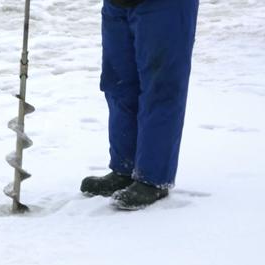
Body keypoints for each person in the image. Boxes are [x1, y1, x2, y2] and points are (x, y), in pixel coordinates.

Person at [80, 0, 199, 210]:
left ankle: (153, 179)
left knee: (160, 87)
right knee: (118, 83)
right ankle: (124, 169)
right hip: (118, 4)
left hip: (165, 6)